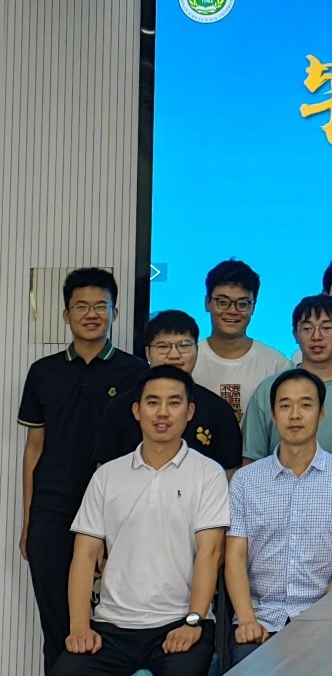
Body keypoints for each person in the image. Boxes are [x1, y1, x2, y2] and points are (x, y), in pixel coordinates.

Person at [52, 367, 229, 676]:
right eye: (152, 402)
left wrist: (193, 622)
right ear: (136, 411)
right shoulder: (107, 475)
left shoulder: (208, 473)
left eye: (174, 403)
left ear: (189, 412)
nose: (162, 413)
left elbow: (210, 553)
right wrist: (80, 626)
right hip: (111, 625)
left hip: (178, 621)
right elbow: (84, 555)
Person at [17, 267, 148, 674]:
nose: (91, 314)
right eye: (81, 306)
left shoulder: (136, 372)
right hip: (53, 511)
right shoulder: (43, 372)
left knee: (113, 624)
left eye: (100, 306)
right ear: (66, 314)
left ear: (115, 313)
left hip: (117, 514)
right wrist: (28, 521)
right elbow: (34, 448)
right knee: (58, 625)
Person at [225, 369, 332, 666]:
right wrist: (246, 619)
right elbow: (234, 555)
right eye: (285, 405)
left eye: (306, 405)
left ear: (321, 413)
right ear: (273, 415)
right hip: (261, 619)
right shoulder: (245, 480)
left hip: (326, 620)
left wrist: (322, 620)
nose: (295, 415)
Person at [94, 310, 241, 473]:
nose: (174, 355)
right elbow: (104, 471)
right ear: (147, 353)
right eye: (163, 346)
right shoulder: (118, 408)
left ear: (197, 350)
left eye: (184, 346)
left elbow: (230, 472)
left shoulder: (219, 410)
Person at [242, 295, 332, 468]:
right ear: (295, 335)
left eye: (326, 328)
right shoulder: (269, 389)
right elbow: (251, 460)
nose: (316, 336)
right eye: (307, 328)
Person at [191, 259, 289, 421]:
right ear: (207, 303)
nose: (232, 311)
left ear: (253, 307)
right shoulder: (188, 360)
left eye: (242, 304)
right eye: (223, 302)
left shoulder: (276, 365)